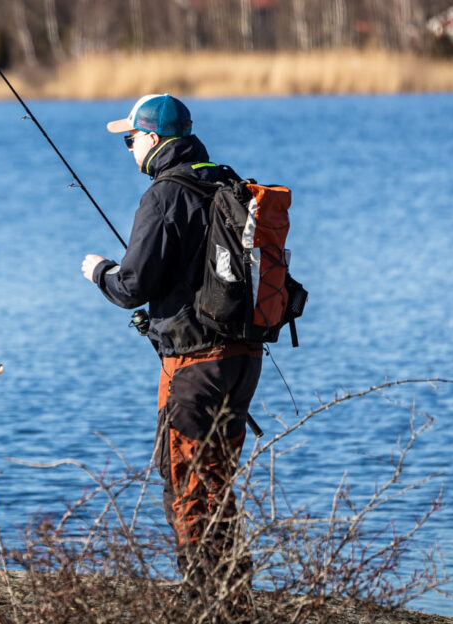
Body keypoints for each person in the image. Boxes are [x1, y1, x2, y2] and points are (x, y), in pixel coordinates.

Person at [80, 94, 260, 593]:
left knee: (186, 482)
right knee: (216, 479)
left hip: (195, 363)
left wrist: (100, 273)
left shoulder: (163, 195)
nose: (128, 147)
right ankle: (230, 592)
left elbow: (133, 286)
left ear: (154, 139)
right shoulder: (226, 180)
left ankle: (207, 598)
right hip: (243, 358)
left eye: (130, 139)